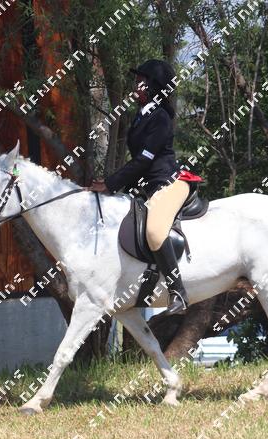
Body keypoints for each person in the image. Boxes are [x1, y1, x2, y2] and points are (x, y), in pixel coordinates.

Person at [89, 59, 200, 315]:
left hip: (169, 184)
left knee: (155, 232)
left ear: (153, 87)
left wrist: (111, 184)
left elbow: (143, 160)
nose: (135, 86)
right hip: (150, 186)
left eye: (140, 82)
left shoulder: (160, 118)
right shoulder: (142, 116)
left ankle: (178, 293)